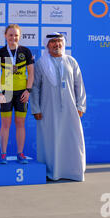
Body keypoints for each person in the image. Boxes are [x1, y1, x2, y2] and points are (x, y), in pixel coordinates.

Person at [30, 32, 86, 181]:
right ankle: (52, 172)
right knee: (51, 141)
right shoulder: (41, 63)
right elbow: (35, 88)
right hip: (48, 110)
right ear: (47, 45)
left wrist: (81, 106)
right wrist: (36, 108)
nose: (57, 45)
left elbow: (79, 85)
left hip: (70, 109)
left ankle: (74, 172)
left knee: (73, 140)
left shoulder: (71, 61)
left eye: (59, 41)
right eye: (53, 42)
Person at [0, 24, 34, 164]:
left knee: (20, 124)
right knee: (5, 124)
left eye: (16, 35)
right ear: (5, 36)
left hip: (22, 93)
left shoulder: (26, 52)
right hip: (6, 93)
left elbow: (32, 73)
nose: (13, 37)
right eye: (10, 35)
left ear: (20, 36)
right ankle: (3, 154)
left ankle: (20, 153)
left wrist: (28, 91)